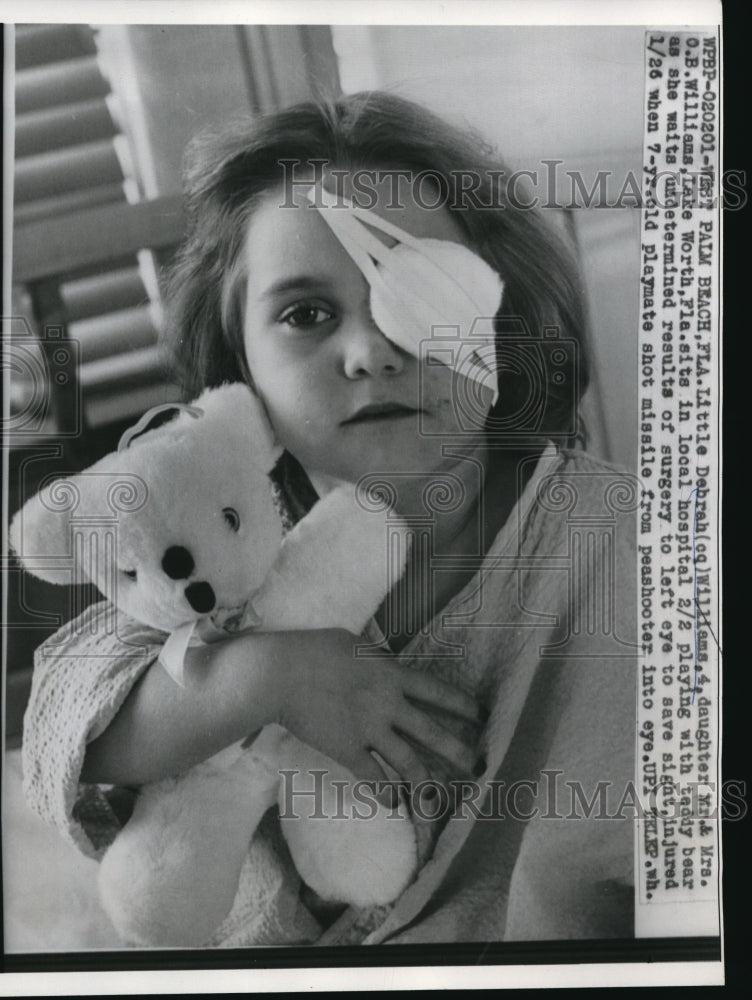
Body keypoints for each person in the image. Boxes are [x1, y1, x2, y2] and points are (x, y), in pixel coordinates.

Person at [21, 92, 637, 947]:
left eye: (421, 293)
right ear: (238, 368)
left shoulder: (624, 546)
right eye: (306, 315)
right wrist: (264, 677)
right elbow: (72, 727)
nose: (371, 351)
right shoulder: (225, 539)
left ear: (503, 317)